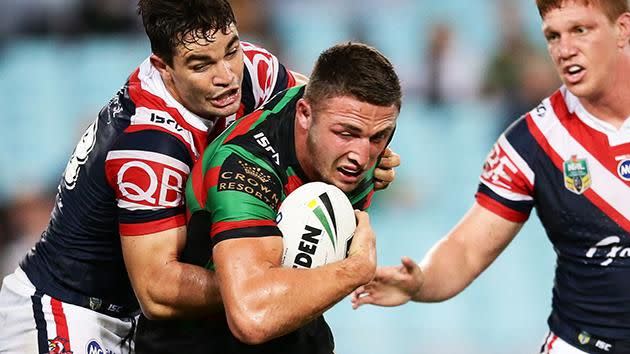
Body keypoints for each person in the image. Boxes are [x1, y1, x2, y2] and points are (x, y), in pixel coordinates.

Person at [0, 1, 400, 353]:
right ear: (164, 67)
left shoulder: (252, 69)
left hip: (134, 323)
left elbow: (317, 109)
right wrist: (264, 280)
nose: (226, 75)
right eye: (201, 64)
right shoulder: (151, 146)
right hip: (67, 311)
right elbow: (158, 291)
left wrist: (355, 154)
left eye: (231, 51)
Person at [352, 1, 630, 353]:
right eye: (553, 36)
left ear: (622, 29)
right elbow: (467, 249)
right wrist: (420, 281)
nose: (565, 49)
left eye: (580, 30)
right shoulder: (531, 143)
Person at [136, 42, 402, 354]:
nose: (361, 156)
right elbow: (252, 317)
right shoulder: (244, 168)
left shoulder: (346, 123)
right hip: (196, 341)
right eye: (346, 133)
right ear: (304, 114)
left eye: (378, 137)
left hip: (291, 331)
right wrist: (357, 269)